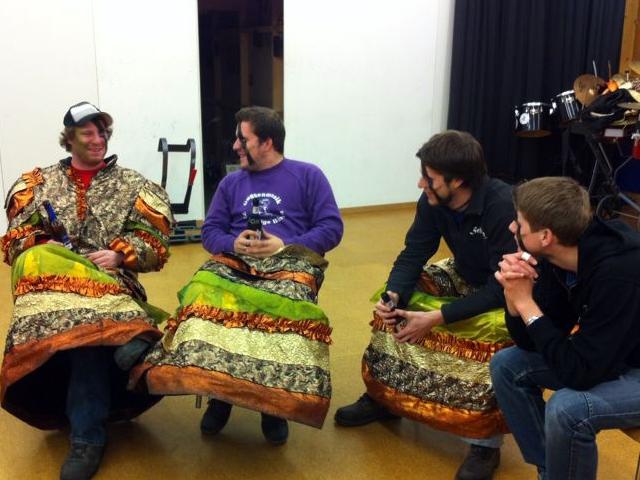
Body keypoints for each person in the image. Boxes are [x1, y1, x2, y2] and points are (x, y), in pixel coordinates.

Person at [131, 106, 343, 444]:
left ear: (267, 142)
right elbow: (210, 231)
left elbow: (331, 227)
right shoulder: (231, 183)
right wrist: (234, 243)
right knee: (201, 296)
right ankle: (219, 394)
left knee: (280, 311)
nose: (235, 146)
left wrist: (285, 245)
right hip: (234, 262)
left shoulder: (308, 175)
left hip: (290, 265)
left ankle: (273, 405)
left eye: (242, 139)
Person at [0, 101, 174, 480]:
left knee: (87, 340)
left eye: (102, 132)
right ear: (69, 139)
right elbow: (14, 239)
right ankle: (134, 334)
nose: (98, 140)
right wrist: (41, 244)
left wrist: (120, 254)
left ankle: (87, 437)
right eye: (88, 133)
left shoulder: (134, 185)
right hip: (52, 287)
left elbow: (154, 241)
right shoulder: (39, 184)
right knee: (74, 317)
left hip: (111, 283)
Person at [335, 130, 516, 480]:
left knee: (487, 336)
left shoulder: (502, 205)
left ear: (457, 180)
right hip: (464, 273)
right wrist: (393, 296)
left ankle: (484, 444)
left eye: (429, 178)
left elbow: (500, 288)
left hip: (506, 289)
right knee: (390, 307)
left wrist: (437, 317)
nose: (421, 184)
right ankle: (385, 398)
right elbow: (414, 252)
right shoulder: (433, 201)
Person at [490, 177, 640, 480]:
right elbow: (534, 341)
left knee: (567, 409)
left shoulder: (618, 272)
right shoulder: (560, 257)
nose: (512, 227)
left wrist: (527, 304)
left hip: (632, 365)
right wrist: (514, 299)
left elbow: (579, 373)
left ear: (545, 236)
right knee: (507, 365)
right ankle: (552, 471)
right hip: (613, 354)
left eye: (520, 223)